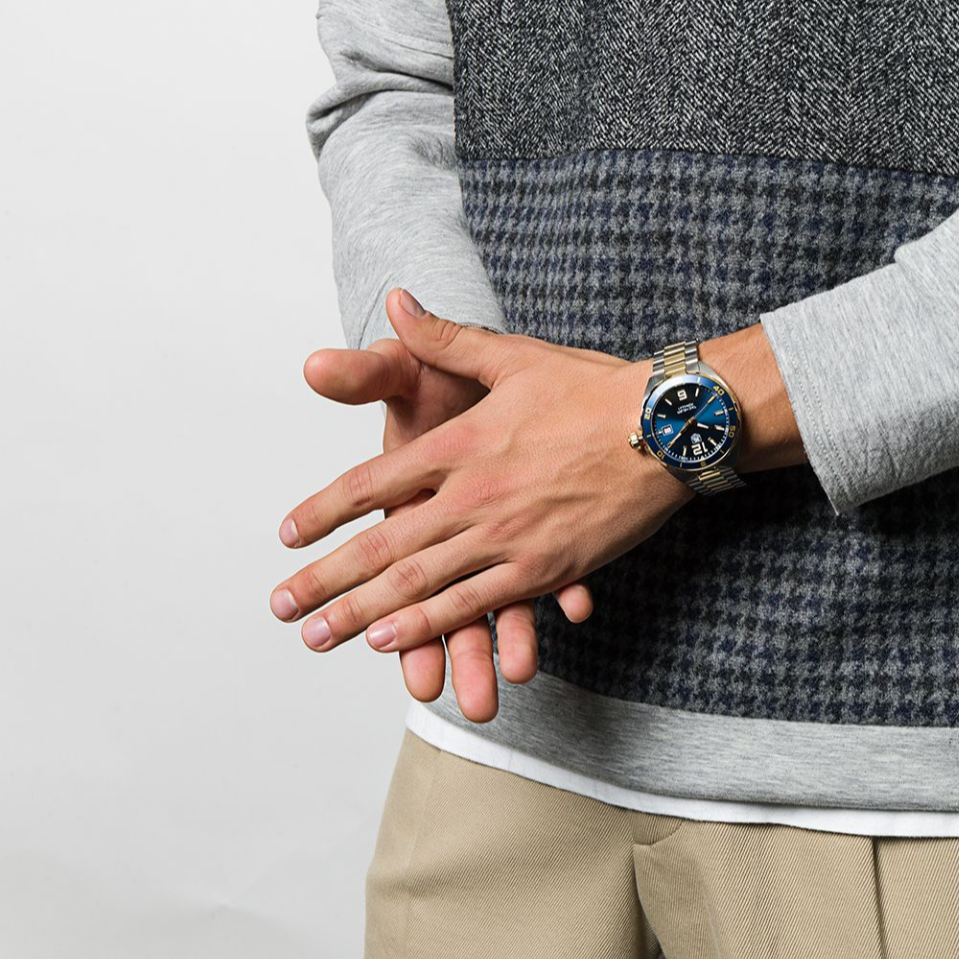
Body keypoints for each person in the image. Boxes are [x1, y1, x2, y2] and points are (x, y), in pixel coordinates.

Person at [273, 1, 959, 955]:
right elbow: (397, 80)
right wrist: (450, 358)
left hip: (895, 770)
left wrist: (660, 427)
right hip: (504, 731)